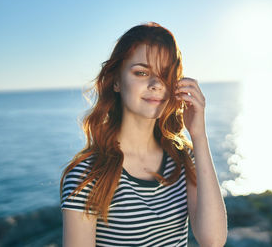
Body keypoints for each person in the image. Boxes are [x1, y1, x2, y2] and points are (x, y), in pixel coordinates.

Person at [60, 22, 227, 247]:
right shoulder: (86, 176)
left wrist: (198, 136)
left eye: (165, 75)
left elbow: (213, 241)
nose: (156, 84)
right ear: (117, 81)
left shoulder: (184, 158)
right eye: (141, 72)